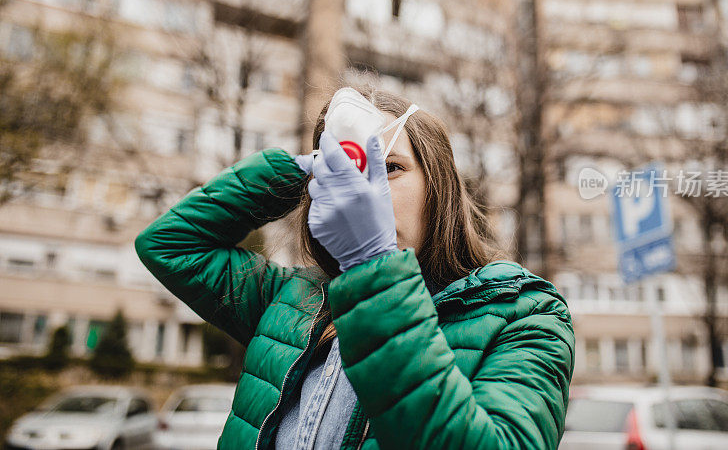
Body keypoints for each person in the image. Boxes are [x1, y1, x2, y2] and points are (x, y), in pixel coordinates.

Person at [135, 87, 575, 450]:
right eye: (352, 171)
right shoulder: (296, 302)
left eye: (390, 168)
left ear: (438, 185)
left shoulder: (526, 314)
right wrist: (296, 172)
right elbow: (171, 245)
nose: (369, 191)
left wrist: (373, 265)